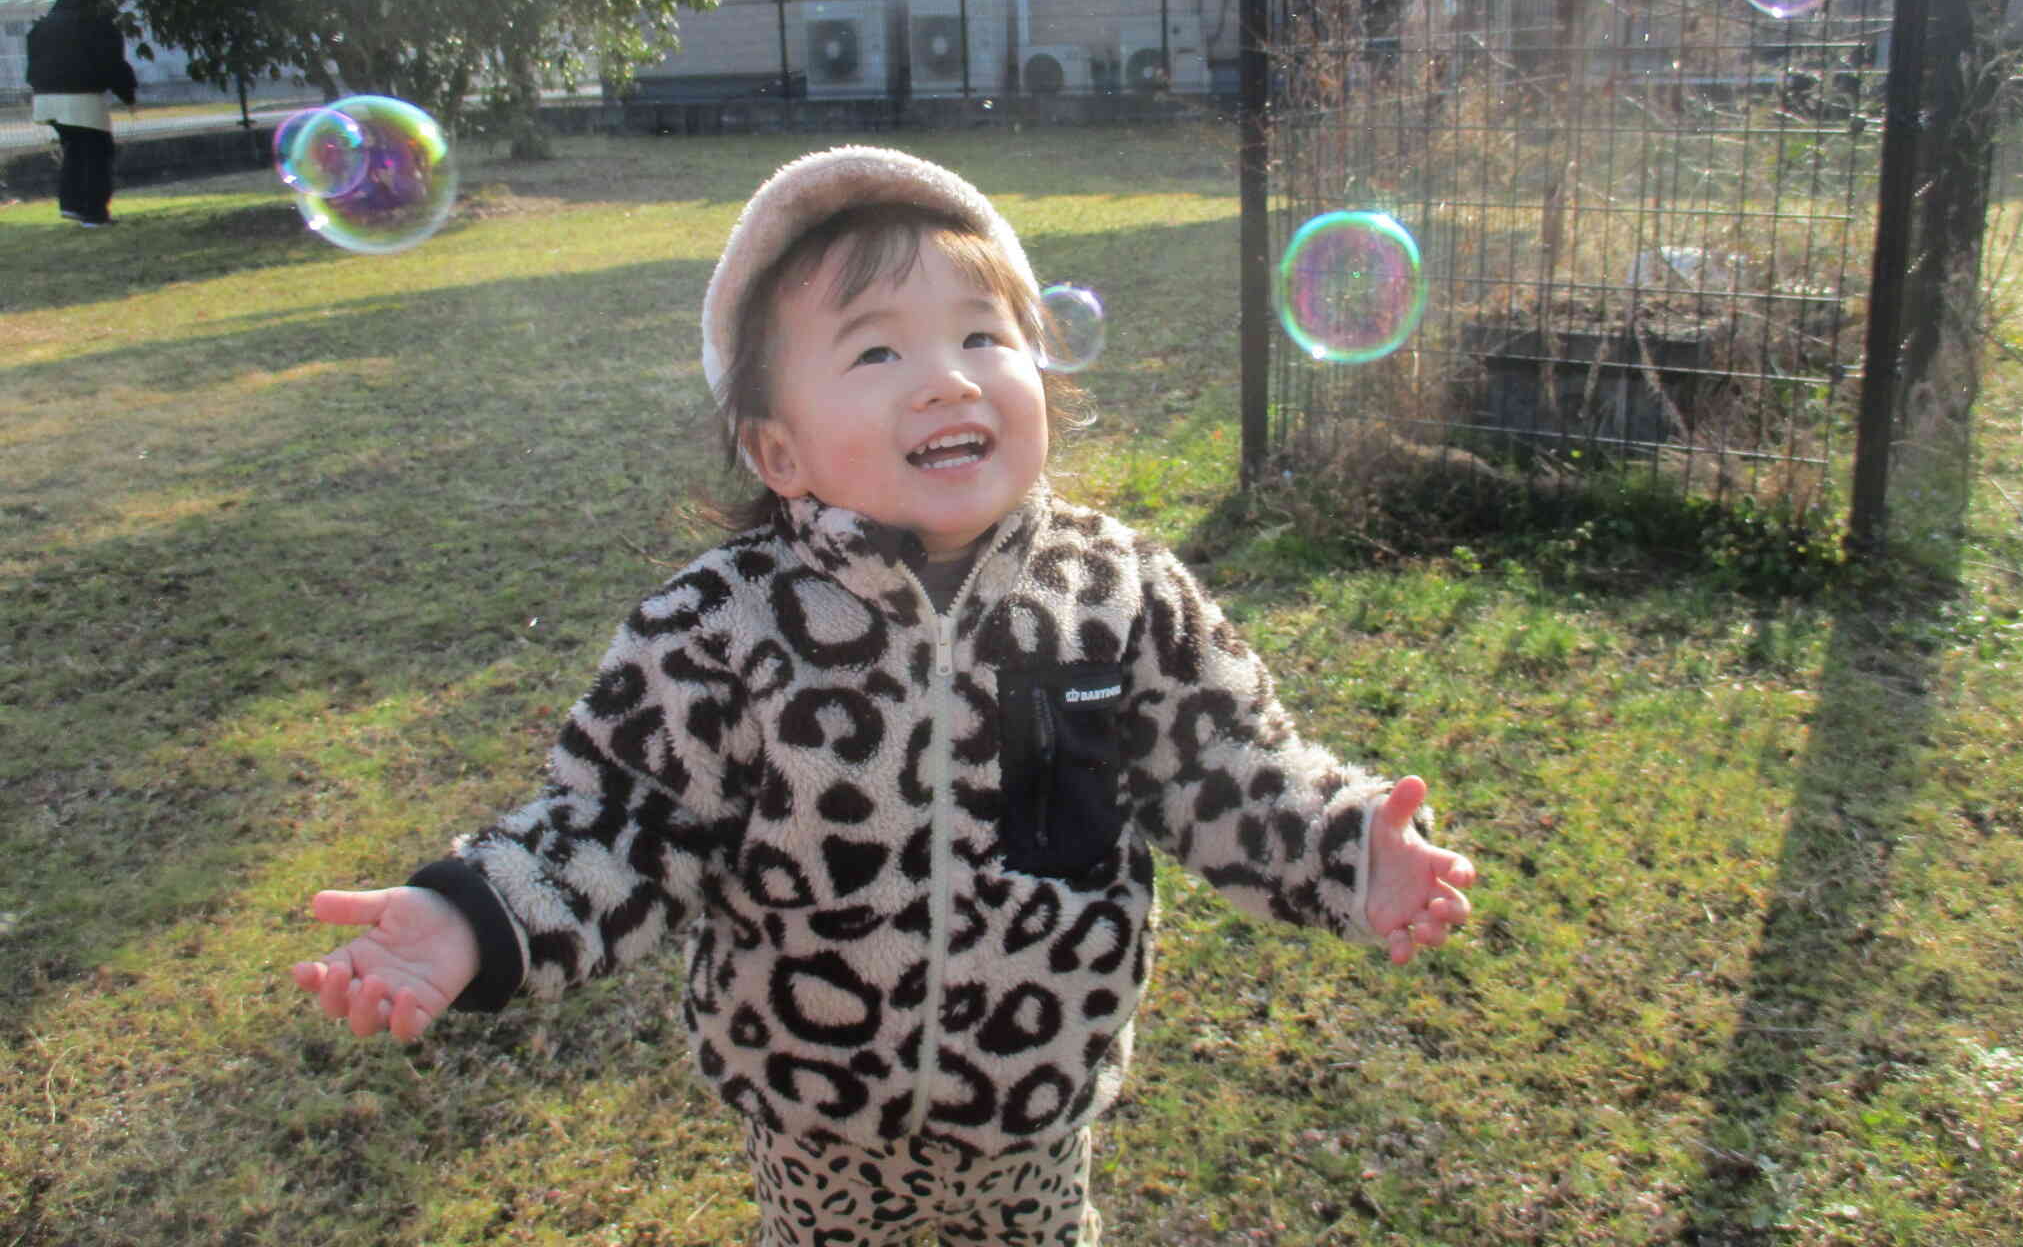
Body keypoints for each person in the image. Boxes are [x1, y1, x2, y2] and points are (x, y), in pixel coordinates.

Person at [290, 146, 1477, 1246]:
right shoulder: (721, 627)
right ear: (778, 454)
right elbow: (618, 824)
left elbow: (1225, 763)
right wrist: (473, 916)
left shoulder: (1112, 592)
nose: (945, 382)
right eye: (875, 352)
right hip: (814, 1119)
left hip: (1033, 1106)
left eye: (982, 336)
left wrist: (1339, 851)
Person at [27, 0, 138, 227]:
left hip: (45, 98)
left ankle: (72, 204)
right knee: (97, 153)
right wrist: (128, 94)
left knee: (74, 150)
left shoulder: (43, 25)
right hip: (81, 98)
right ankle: (94, 212)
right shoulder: (96, 23)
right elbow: (112, 63)